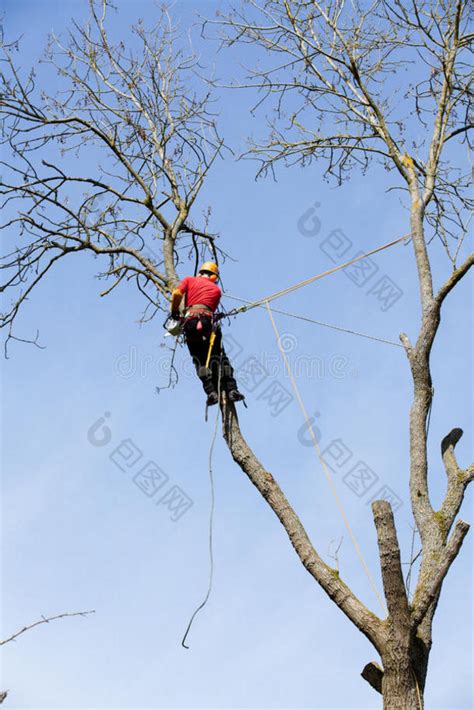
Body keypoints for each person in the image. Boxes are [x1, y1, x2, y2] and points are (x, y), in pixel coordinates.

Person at [170, 261, 245, 406]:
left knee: (199, 359)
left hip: (191, 325)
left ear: (200, 273)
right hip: (207, 324)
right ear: (214, 277)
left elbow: (177, 293)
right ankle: (231, 389)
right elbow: (208, 309)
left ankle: (211, 392)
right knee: (220, 357)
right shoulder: (217, 291)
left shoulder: (189, 280)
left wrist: (174, 312)